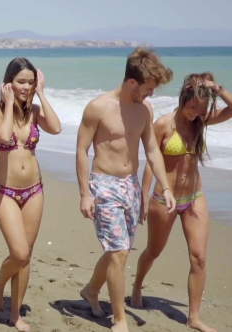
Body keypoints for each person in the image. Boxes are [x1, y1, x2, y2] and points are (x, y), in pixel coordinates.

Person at [75, 47, 177, 332]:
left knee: (118, 252)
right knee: (119, 251)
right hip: (103, 185)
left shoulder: (145, 109)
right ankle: (120, 320)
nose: (151, 95)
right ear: (132, 81)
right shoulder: (98, 107)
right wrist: (85, 193)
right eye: (148, 88)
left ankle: (92, 290)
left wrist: (165, 187)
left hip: (130, 186)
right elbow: (82, 151)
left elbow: (153, 151)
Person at [131, 73, 231, 332]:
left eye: (201, 108)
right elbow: (152, 164)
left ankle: (194, 317)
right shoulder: (164, 124)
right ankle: (137, 286)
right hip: (165, 199)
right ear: (183, 98)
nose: (195, 112)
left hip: (195, 197)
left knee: (199, 258)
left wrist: (216, 88)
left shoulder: (201, 121)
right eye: (192, 106)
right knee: (154, 251)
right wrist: (143, 197)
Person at [0, 58, 61, 332]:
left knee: (26, 255)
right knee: (17, 253)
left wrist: (41, 92)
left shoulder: (35, 110)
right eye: (21, 82)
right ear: (8, 83)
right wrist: (7, 105)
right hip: (4, 190)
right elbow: (4, 137)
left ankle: (15, 314)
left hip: (34, 190)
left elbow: (56, 127)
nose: (26, 87)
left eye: (30, 82)